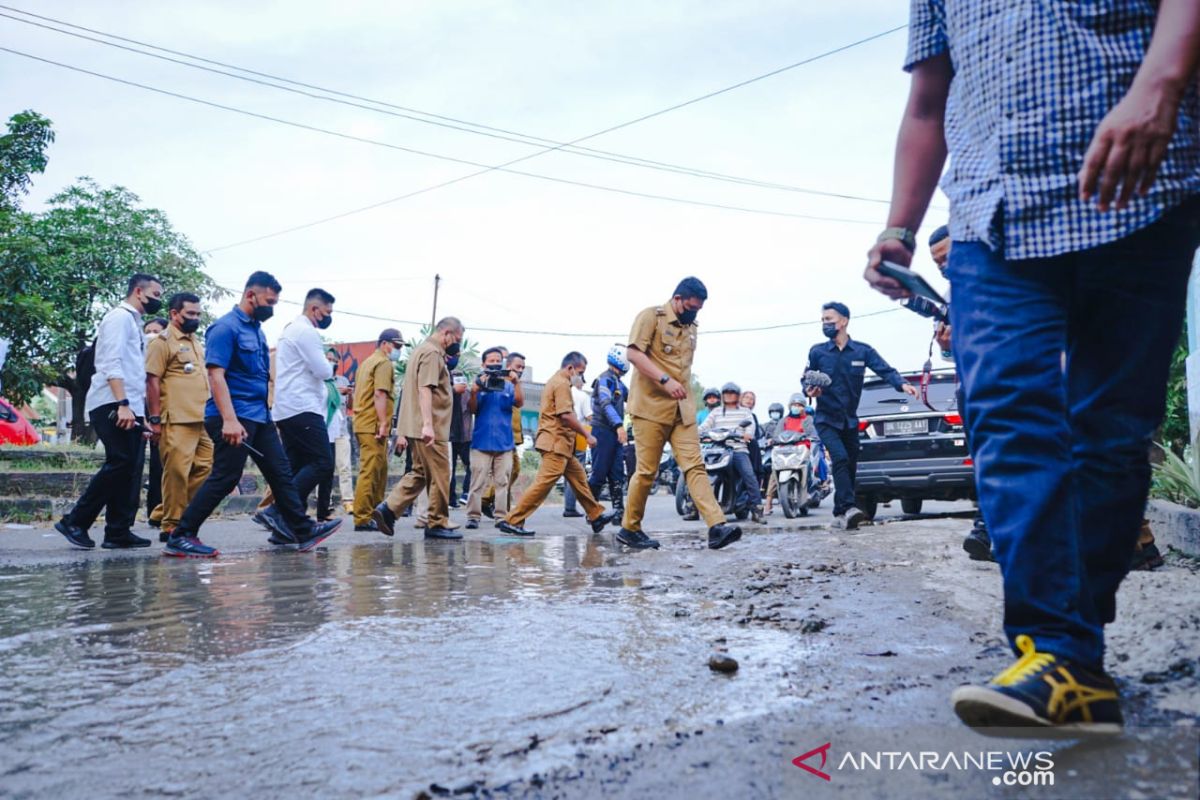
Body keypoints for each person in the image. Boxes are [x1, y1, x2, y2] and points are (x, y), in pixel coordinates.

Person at [867, 0, 1200, 736]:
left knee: (1109, 432)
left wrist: (1161, 85)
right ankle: (1059, 651)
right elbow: (928, 99)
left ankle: (1073, 646)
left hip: (1139, 181)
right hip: (994, 214)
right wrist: (900, 225)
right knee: (1007, 416)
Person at [164, 272, 341, 557]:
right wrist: (230, 420)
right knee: (225, 476)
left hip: (259, 415)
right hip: (234, 416)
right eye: (269, 301)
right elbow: (216, 375)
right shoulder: (225, 328)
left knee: (281, 473)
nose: (272, 307)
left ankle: (301, 528)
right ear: (251, 295)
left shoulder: (257, 330)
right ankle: (182, 534)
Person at [618, 277, 742, 550]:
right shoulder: (651, 317)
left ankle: (716, 526)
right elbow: (633, 354)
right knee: (646, 472)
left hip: (682, 410)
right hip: (650, 408)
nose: (693, 313)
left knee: (695, 466)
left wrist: (679, 389)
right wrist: (665, 381)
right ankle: (630, 528)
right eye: (690, 307)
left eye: (698, 309)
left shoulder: (691, 327)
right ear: (677, 299)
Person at [55, 273, 164, 550]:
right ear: (138, 291)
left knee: (130, 467)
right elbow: (110, 362)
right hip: (112, 402)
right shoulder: (118, 318)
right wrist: (122, 405)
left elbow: (133, 370)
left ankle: (118, 531)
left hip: (129, 405)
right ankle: (75, 521)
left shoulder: (134, 322)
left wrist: (140, 415)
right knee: (120, 462)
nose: (157, 301)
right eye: (155, 295)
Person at [805, 302, 917, 530]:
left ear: (843, 321)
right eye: (823, 320)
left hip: (850, 419)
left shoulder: (862, 351)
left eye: (829, 319)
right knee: (840, 458)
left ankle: (840, 513)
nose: (825, 324)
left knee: (851, 463)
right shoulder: (817, 351)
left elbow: (884, 370)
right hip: (826, 418)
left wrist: (902, 384)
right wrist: (810, 390)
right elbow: (806, 378)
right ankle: (848, 507)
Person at [924, 225, 994, 562]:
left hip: (1009, 381)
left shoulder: (1000, 275)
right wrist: (947, 345)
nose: (944, 267)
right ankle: (987, 529)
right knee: (984, 459)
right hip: (971, 385)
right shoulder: (951, 294)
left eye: (948, 258)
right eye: (937, 264)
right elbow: (951, 354)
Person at [498, 352, 617, 537]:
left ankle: (596, 515)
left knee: (579, 480)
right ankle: (512, 520)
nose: (581, 376)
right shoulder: (561, 383)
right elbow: (566, 416)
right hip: (556, 443)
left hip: (562, 444)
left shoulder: (557, 381)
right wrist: (587, 434)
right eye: (580, 371)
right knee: (543, 484)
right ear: (570, 368)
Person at [372, 317, 464, 540]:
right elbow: (425, 389)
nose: (457, 344)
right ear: (447, 333)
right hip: (431, 426)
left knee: (420, 471)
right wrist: (429, 425)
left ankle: (389, 510)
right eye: (457, 339)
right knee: (441, 473)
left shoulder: (421, 350)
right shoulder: (432, 353)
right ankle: (437, 521)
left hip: (417, 424)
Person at [145, 292, 212, 543]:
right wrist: (155, 419)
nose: (195, 318)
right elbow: (152, 381)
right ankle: (171, 525)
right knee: (177, 472)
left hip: (200, 416)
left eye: (198, 314)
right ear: (174, 314)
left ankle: (163, 511)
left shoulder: (195, 342)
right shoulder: (161, 342)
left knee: (208, 468)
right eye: (190, 314)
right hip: (176, 417)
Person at [270, 288, 336, 517]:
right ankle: (277, 511)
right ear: (314, 309)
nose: (328, 316)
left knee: (296, 467)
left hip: (288, 408)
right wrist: (330, 367)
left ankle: (286, 525)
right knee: (322, 462)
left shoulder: (290, 329)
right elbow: (323, 370)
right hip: (302, 407)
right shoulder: (306, 332)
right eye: (327, 312)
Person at [465, 346, 523, 529]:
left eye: (498, 360)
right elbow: (473, 409)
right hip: (481, 441)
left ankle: (501, 517)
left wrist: (516, 383)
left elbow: (519, 403)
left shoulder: (508, 385)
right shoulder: (479, 384)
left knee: (502, 482)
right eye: (491, 361)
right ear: (483, 364)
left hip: (504, 443)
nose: (495, 364)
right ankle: (473, 517)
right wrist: (474, 392)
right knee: (477, 483)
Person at [350, 329, 403, 531]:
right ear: (384, 343)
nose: (398, 350)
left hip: (364, 421)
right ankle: (362, 518)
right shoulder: (383, 363)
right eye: (396, 346)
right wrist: (383, 423)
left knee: (378, 470)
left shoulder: (367, 362)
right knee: (371, 471)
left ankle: (373, 512)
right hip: (373, 424)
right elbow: (380, 394)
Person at [699, 382, 766, 524]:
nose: (729, 395)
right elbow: (705, 426)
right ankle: (693, 506)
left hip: (738, 449)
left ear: (737, 395)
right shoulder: (716, 412)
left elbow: (750, 426)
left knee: (749, 475)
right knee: (700, 474)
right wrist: (696, 433)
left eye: (732, 392)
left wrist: (747, 434)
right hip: (717, 449)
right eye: (726, 392)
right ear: (723, 395)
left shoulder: (745, 412)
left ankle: (757, 510)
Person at [482, 350, 526, 518]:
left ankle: (500, 508)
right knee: (512, 469)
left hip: (512, 436)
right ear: (508, 366)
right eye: (517, 366)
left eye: (522, 367)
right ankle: (485, 499)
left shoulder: (515, 384)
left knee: (508, 472)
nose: (520, 369)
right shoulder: (502, 384)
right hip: (504, 435)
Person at [587, 344, 631, 513]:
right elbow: (605, 403)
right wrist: (619, 425)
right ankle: (592, 511)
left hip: (614, 433)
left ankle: (619, 512)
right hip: (602, 431)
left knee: (617, 474)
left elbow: (632, 398)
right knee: (599, 473)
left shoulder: (618, 382)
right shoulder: (604, 379)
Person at [316, 348, 354, 520]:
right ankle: (324, 502)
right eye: (328, 358)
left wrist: (350, 394)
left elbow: (350, 406)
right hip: (325, 428)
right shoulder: (319, 379)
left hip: (341, 429)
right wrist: (338, 391)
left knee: (344, 466)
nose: (331, 362)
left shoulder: (343, 380)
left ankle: (348, 500)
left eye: (334, 359)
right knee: (324, 467)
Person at [141, 317, 168, 528]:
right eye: (147, 330)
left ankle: (157, 511)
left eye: (155, 330)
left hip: (162, 407)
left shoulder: (165, 350)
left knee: (160, 462)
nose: (150, 334)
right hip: (139, 405)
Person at [561, 371, 593, 518]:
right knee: (576, 473)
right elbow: (589, 416)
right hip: (578, 435)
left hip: (562, 435)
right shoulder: (583, 396)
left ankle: (569, 505)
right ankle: (570, 508)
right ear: (579, 382)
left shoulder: (563, 393)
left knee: (567, 471)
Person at [448, 371, 473, 508]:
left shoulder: (468, 394)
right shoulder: (447, 393)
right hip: (450, 436)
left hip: (466, 437)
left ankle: (466, 493)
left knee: (472, 466)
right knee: (450, 469)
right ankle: (451, 500)